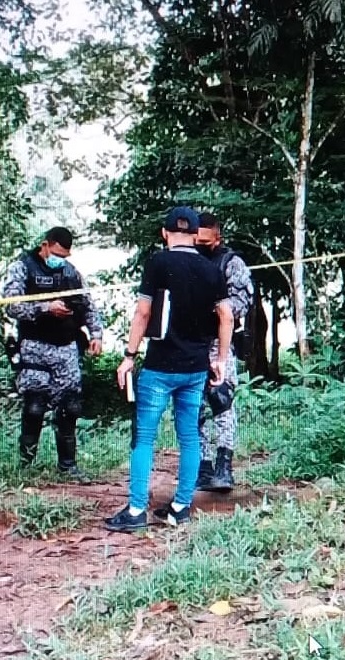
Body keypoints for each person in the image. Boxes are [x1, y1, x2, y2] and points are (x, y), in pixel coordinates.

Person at [104, 206, 234, 532]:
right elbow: (227, 317)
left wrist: (129, 355)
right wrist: (220, 360)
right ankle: (179, 507)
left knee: (144, 437)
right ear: (195, 235)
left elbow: (143, 313)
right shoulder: (212, 270)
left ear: (164, 234)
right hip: (195, 369)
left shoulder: (158, 263)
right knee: (189, 436)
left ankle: (136, 511)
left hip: (160, 367)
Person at [2, 226, 103, 481]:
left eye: (66, 255)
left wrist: (97, 335)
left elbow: (88, 306)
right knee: (35, 407)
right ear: (45, 245)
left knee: (70, 407)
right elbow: (10, 305)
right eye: (57, 253)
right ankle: (26, 466)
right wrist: (45, 308)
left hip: (66, 349)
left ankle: (67, 466)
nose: (61, 260)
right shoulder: (23, 267)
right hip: (35, 348)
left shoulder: (71, 273)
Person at [194, 212, 254, 492]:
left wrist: (215, 308)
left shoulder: (232, 263)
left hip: (219, 340)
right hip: (189, 342)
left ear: (218, 238)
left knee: (221, 399)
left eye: (206, 240)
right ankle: (202, 466)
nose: (200, 244)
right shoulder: (186, 258)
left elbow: (240, 304)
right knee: (192, 405)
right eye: (197, 239)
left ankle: (223, 466)